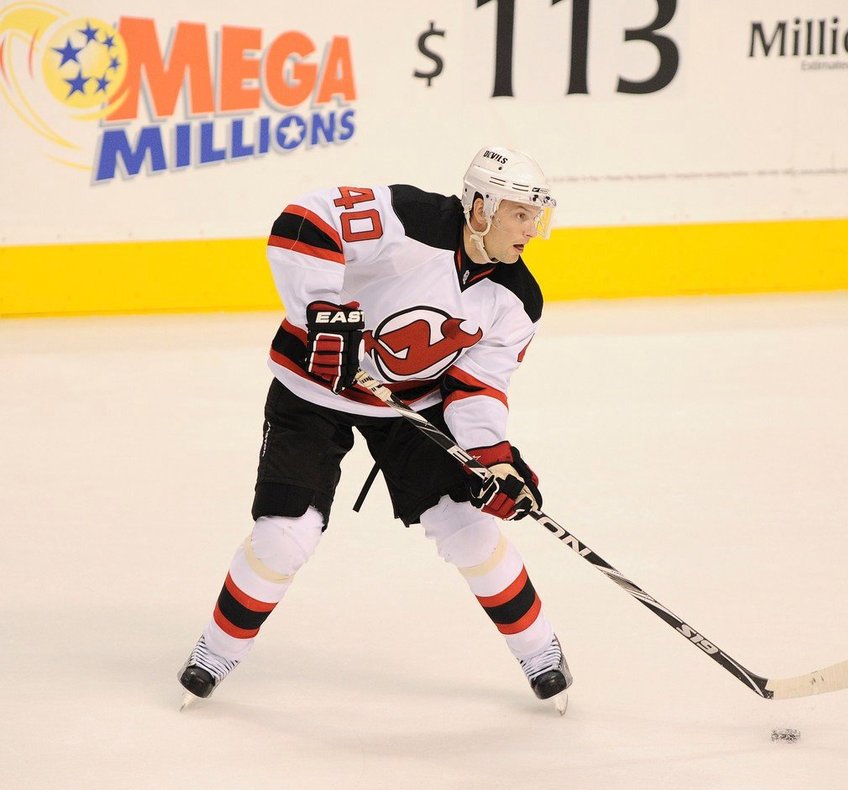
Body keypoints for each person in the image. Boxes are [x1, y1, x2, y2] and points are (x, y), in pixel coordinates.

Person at [178, 146, 571, 710]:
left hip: (406, 408)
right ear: (480, 206)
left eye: (537, 216)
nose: (532, 230)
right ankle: (215, 652)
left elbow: (477, 388)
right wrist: (320, 315)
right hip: (313, 391)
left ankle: (541, 653)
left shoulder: (516, 299)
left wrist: (495, 457)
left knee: (468, 528)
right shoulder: (408, 218)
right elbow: (303, 222)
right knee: (285, 535)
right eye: (520, 213)